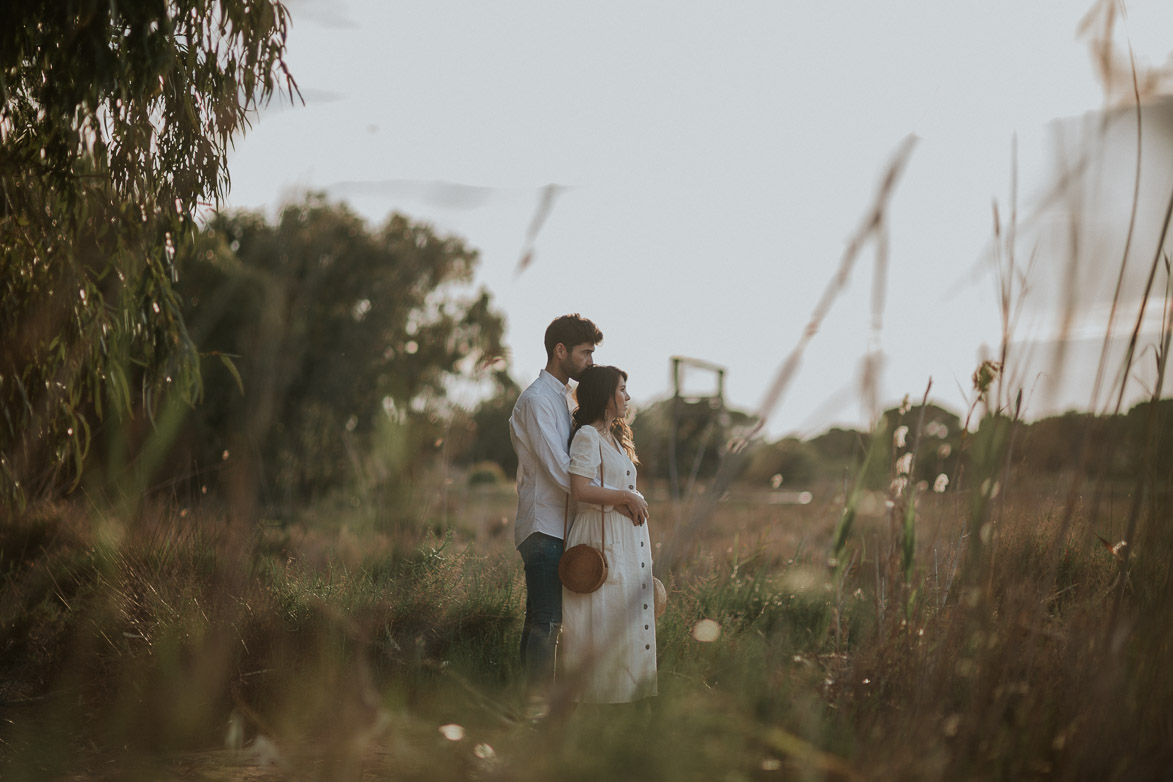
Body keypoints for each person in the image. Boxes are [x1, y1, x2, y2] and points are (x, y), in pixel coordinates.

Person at [509, 315, 648, 690]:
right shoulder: (538, 400)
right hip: (544, 525)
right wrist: (617, 498)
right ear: (560, 351)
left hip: (562, 526)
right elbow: (560, 470)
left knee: (542, 618)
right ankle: (536, 709)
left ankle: (528, 705)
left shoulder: (562, 399)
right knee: (548, 621)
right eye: (585, 353)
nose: (589, 361)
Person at [561, 365, 657, 703]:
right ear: (605, 397)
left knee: (624, 630)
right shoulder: (587, 435)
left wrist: (623, 499)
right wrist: (626, 497)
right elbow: (580, 488)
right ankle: (596, 714)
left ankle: (624, 712)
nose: (628, 397)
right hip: (601, 541)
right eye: (621, 389)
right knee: (601, 627)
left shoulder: (613, 439)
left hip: (624, 540)